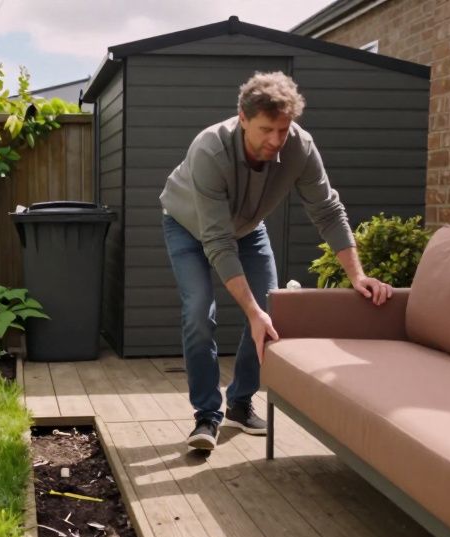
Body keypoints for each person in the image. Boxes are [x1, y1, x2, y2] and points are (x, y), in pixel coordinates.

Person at [160, 70, 394, 452]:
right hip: (187, 226)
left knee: (273, 307)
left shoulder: (300, 146)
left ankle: (239, 401)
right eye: (267, 129)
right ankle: (206, 416)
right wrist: (251, 312)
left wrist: (358, 275)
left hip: (247, 228)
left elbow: (328, 211)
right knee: (199, 312)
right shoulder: (210, 150)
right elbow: (218, 241)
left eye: (283, 130)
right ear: (243, 117)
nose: (276, 140)